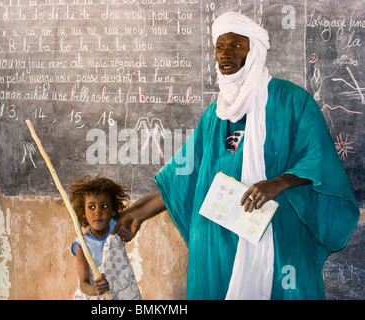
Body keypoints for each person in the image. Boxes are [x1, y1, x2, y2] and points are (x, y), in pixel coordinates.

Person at [112, 12, 360, 299]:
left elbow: (317, 158)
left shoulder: (291, 100)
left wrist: (278, 182)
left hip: (277, 233)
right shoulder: (214, 115)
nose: (225, 55)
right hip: (219, 243)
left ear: (253, 50)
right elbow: (184, 175)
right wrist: (137, 214)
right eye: (220, 47)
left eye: (236, 46)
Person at [70, 176, 141, 300]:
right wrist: (93, 289)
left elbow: (140, 209)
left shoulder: (117, 227)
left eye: (104, 206)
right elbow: (83, 283)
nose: (98, 212)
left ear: (113, 210)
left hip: (121, 289)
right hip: (94, 295)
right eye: (91, 207)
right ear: (83, 212)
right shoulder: (82, 245)